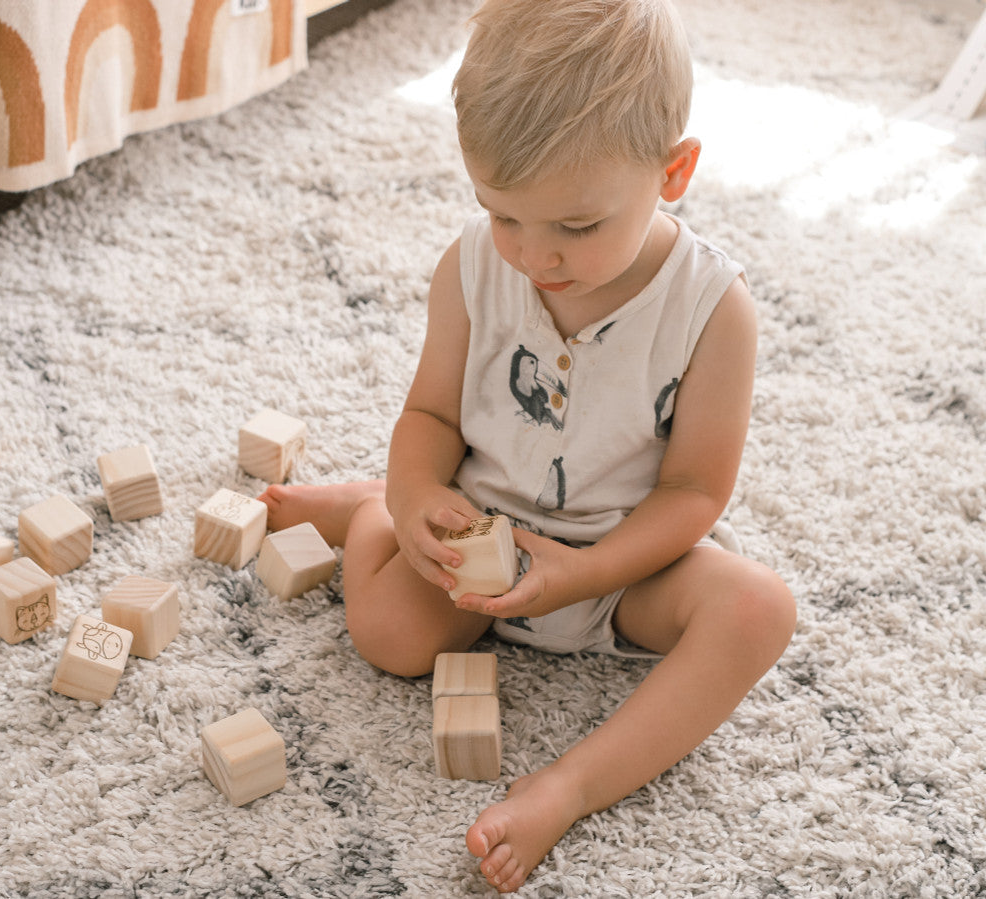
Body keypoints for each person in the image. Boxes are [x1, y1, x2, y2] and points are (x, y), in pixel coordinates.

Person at [259, 0, 796, 891]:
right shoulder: (472, 269)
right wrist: (411, 495)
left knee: (757, 610)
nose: (533, 257)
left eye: (575, 227)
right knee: (389, 634)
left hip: (626, 560)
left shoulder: (715, 312)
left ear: (675, 172)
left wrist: (585, 573)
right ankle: (369, 511)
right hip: (483, 531)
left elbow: (696, 493)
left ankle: (570, 784)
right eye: (502, 214)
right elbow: (429, 419)